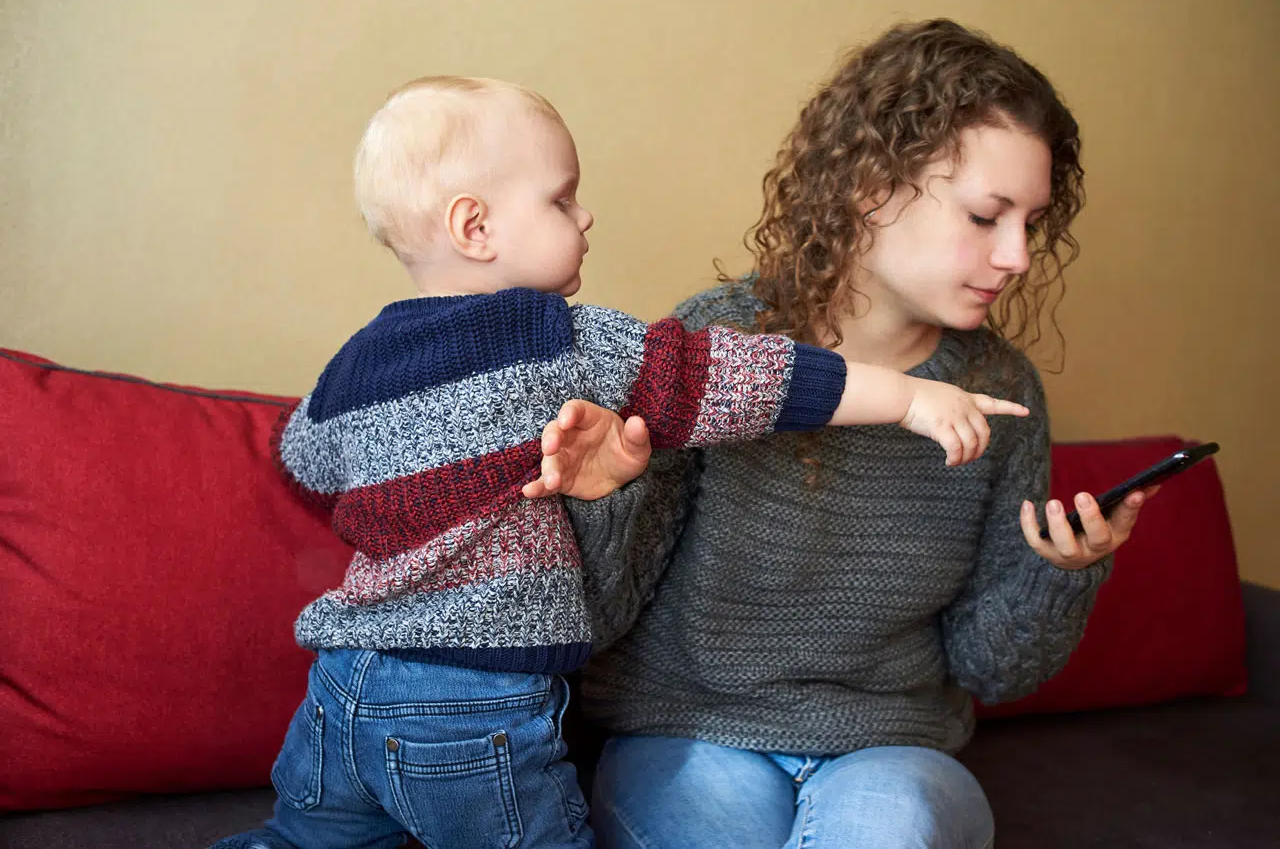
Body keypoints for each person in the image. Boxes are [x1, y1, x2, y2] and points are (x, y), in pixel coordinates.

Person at [213, 75, 1027, 849]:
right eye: (561, 198)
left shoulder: (354, 364)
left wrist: (409, 512)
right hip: (472, 705)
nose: (586, 215)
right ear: (476, 227)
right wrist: (906, 398)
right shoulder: (556, 340)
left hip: (343, 683)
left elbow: (305, 467)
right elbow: (742, 379)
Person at [529, 18, 1155, 849]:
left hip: (894, 752)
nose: (1018, 258)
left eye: (1031, 224)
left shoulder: (1001, 393)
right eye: (985, 215)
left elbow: (991, 672)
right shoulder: (719, 349)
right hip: (692, 734)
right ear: (870, 185)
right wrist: (608, 498)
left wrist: (1062, 575)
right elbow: (598, 620)